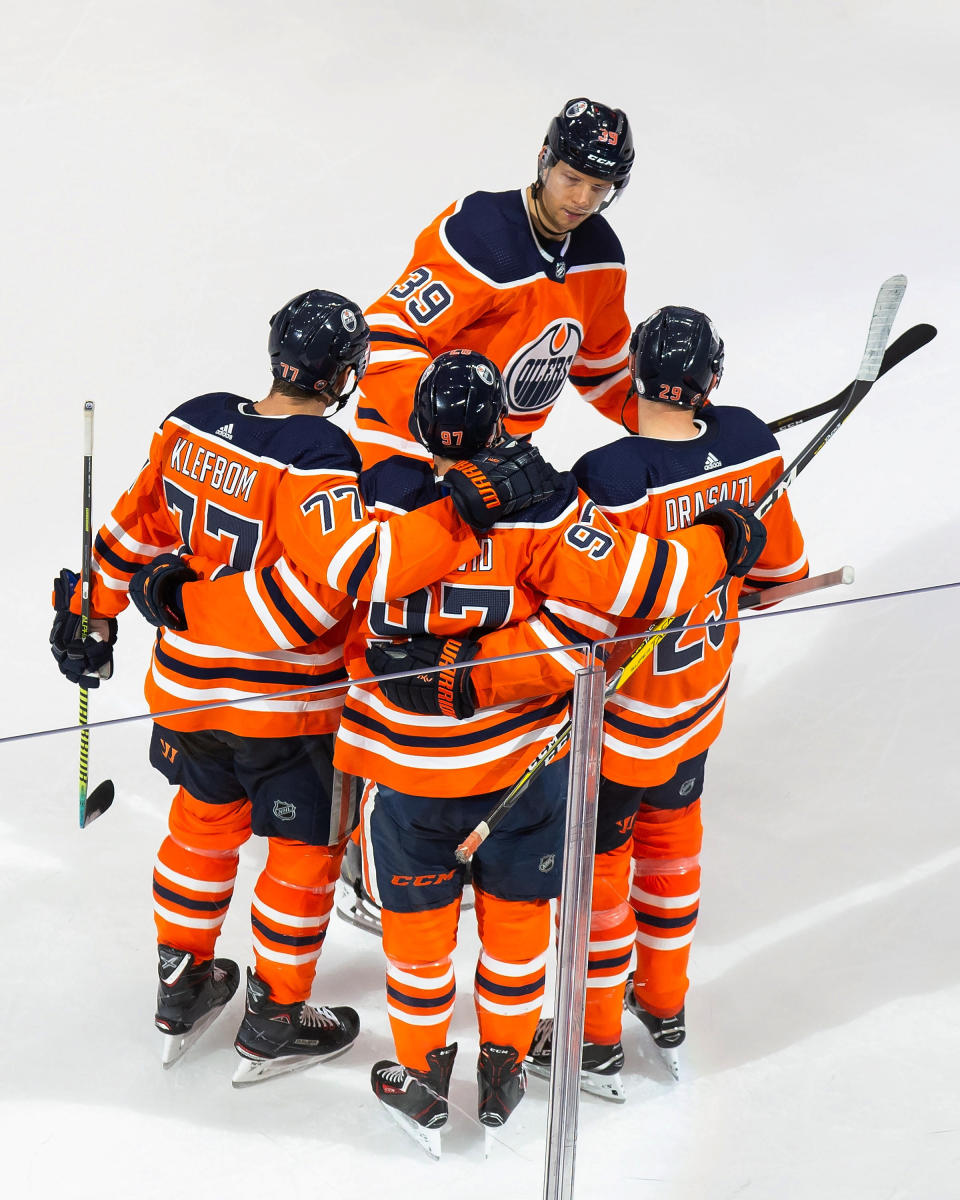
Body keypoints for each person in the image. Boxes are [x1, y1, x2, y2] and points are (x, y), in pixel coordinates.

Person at [48, 290, 559, 1085]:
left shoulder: (193, 420)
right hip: (283, 712)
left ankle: (181, 983)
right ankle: (275, 1015)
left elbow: (131, 528)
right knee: (303, 857)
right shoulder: (319, 455)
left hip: (184, 693)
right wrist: (467, 503)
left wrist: (94, 612)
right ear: (349, 375)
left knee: (198, 828)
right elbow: (334, 587)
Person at [332, 350, 765, 1155]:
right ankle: (503, 1064)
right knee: (520, 928)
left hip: (408, 779)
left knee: (418, 936)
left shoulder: (366, 502)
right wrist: (720, 537)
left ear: (417, 426)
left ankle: (422, 1072)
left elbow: (329, 614)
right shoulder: (551, 504)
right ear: (505, 423)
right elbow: (637, 594)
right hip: (523, 771)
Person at [476, 305, 808, 1094]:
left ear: (631, 373)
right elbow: (781, 575)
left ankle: (592, 1041)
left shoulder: (609, 473)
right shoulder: (751, 443)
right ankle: (665, 1004)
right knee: (674, 856)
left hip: (619, 726)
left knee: (602, 880)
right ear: (713, 380)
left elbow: (588, 607)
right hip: (697, 710)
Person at [348, 96, 637, 467]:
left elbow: (605, 369)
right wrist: (446, 433)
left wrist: (681, 420)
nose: (582, 199)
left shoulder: (601, 255)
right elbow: (384, 334)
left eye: (599, 187)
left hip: (497, 463)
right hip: (403, 449)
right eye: (572, 178)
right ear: (545, 161)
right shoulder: (482, 234)